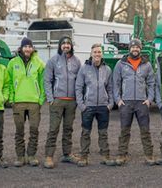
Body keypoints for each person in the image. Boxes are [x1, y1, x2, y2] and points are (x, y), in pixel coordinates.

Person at [112, 38, 158, 166]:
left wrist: (149, 99)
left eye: (137, 47)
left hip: (141, 103)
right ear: (129, 49)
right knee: (124, 130)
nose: (135, 49)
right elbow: (115, 83)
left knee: (145, 130)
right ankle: (122, 155)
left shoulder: (146, 65)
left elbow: (151, 83)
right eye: (133, 47)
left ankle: (149, 155)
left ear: (140, 48)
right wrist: (118, 100)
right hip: (126, 102)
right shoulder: (121, 64)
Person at [6, 39, 47, 167]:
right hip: (18, 102)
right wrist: (12, 99)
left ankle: (31, 155)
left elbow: (43, 82)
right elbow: (9, 83)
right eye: (25, 46)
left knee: (34, 130)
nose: (27, 49)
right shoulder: (13, 63)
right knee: (19, 131)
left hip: (34, 102)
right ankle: (20, 156)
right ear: (21, 48)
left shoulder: (39, 62)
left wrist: (41, 99)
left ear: (32, 48)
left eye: (30, 46)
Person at [42, 37, 82, 168]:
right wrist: (50, 99)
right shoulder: (53, 61)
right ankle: (49, 156)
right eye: (63, 43)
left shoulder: (77, 62)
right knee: (53, 129)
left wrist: (78, 99)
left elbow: (80, 82)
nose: (66, 46)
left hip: (71, 101)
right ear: (60, 46)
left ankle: (67, 154)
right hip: (57, 101)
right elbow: (47, 80)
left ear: (71, 46)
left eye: (68, 43)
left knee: (68, 129)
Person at [79, 44, 117, 167]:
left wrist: (110, 104)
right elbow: (78, 87)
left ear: (102, 53)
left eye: (99, 52)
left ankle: (105, 156)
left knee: (103, 133)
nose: (97, 54)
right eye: (95, 52)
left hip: (103, 106)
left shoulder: (107, 70)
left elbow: (110, 88)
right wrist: (81, 105)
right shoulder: (84, 68)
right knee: (85, 132)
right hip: (88, 106)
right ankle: (83, 157)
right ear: (91, 53)